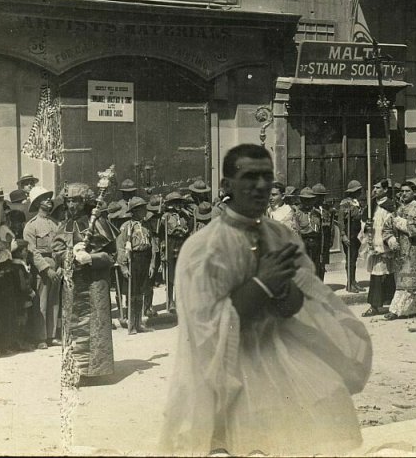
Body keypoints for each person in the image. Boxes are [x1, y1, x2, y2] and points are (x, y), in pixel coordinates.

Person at [159, 144, 372, 455]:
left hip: (281, 365)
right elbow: (205, 330)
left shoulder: (282, 236)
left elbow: (301, 308)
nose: (260, 186)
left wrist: (286, 290)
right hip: (227, 375)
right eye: (249, 177)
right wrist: (262, 284)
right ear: (226, 186)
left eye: (267, 177)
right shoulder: (204, 248)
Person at [51, 183, 116, 383]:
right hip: (73, 283)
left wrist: (92, 258)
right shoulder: (64, 225)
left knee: (95, 325)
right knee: (73, 325)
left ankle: (95, 371)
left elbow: (112, 255)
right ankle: (76, 369)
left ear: (85, 201)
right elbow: (56, 252)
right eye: (69, 200)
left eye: (76, 200)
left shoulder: (98, 222)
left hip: (95, 282)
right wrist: (70, 254)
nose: (72, 205)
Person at [386, 181, 416, 320]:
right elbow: (387, 226)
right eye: (402, 191)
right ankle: (407, 309)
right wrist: (390, 239)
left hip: (414, 249)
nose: (404, 194)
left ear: (414, 193)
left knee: (410, 282)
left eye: (407, 191)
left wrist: (400, 223)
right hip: (399, 250)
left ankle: (397, 310)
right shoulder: (397, 209)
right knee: (401, 280)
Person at [23, 190, 60, 348]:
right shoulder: (31, 226)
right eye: (45, 199)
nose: (49, 201)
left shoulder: (54, 223)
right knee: (42, 303)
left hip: (56, 264)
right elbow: (32, 252)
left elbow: (60, 246)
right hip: (41, 268)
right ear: (37, 203)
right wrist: (46, 269)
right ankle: (41, 337)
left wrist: (60, 266)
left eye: (49, 199)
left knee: (54, 302)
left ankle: (52, 335)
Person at [117, 197, 155, 335]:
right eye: (142, 209)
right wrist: (124, 267)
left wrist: (152, 264)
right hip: (133, 260)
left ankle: (139, 323)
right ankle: (131, 325)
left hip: (145, 259)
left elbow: (153, 245)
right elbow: (121, 247)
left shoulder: (146, 226)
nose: (145, 211)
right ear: (135, 211)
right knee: (132, 294)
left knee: (141, 293)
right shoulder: (126, 227)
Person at [363, 179, 397, 317]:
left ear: (385, 190)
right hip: (374, 243)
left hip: (386, 243)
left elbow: (394, 224)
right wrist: (366, 225)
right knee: (376, 275)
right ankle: (374, 306)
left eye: (378, 188)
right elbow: (363, 221)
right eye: (374, 188)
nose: (375, 190)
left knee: (390, 274)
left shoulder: (391, 206)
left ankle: (393, 305)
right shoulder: (371, 205)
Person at [158, 192, 190, 314]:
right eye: (175, 202)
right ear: (170, 204)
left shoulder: (184, 216)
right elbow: (161, 233)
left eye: (179, 202)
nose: (178, 205)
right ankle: (170, 301)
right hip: (170, 244)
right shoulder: (165, 217)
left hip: (181, 244)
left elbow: (189, 229)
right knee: (170, 274)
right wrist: (163, 246)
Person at [338, 180, 365, 293]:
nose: (360, 192)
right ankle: (350, 283)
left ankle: (353, 281)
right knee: (350, 259)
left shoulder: (356, 202)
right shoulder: (345, 203)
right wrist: (343, 235)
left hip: (356, 234)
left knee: (354, 259)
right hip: (349, 233)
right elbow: (340, 220)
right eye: (358, 191)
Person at [295, 187, 322, 270]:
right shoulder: (297, 213)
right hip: (303, 241)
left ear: (314, 200)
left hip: (315, 241)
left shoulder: (317, 213)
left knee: (316, 265)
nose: (307, 202)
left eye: (310, 200)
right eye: (304, 200)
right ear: (301, 200)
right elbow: (296, 230)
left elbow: (320, 229)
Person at [311, 183, 333, 280]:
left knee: (322, 265)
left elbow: (331, 225)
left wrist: (331, 239)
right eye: (318, 196)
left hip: (325, 242)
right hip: (314, 242)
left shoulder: (327, 209)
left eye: (322, 196)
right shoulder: (310, 209)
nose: (320, 199)